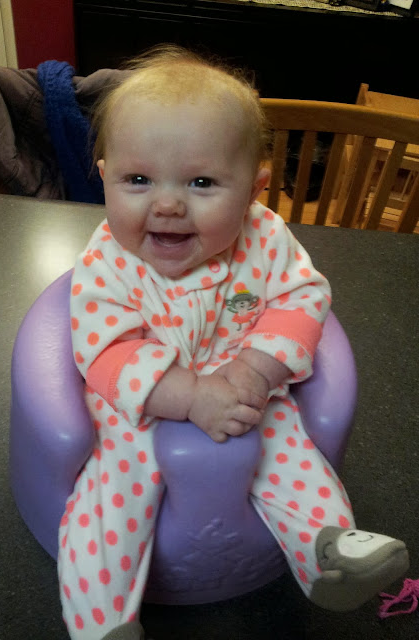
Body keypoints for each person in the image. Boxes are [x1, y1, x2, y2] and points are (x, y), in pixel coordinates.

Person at [59, 45, 409, 640]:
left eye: (201, 182)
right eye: (138, 180)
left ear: (253, 190)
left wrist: (256, 370)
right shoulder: (105, 261)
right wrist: (189, 395)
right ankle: (103, 620)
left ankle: (329, 549)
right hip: (140, 407)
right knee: (111, 497)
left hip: (244, 383)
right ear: (104, 176)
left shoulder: (266, 237)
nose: (167, 204)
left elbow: (302, 301)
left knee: (288, 451)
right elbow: (105, 353)